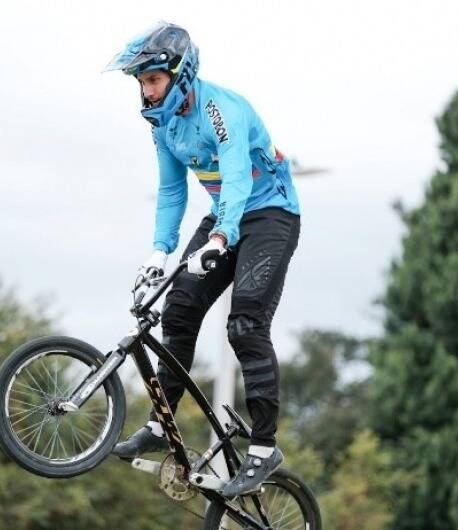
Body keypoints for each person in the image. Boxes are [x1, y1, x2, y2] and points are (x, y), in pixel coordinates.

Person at [103, 21, 301, 497]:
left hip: (269, 217)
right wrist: (159, 251)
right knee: (179, 309)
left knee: (245, 325)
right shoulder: (163, 125)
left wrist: (219, 239)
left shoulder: (219, 109)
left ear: (181, 75)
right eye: (142, 83)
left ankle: (263, 447)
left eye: (154, 80)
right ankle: (159, 424)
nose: (147, 92)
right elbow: (172, 190)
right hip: (224, 220)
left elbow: (235, 178)